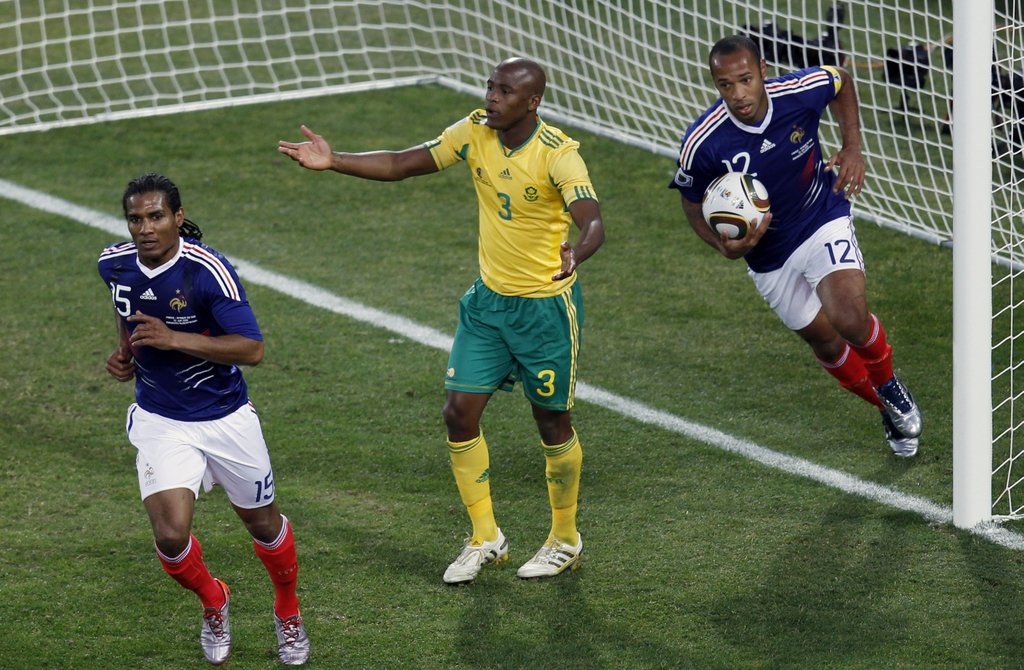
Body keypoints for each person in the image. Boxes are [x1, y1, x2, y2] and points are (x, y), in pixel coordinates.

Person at [278, 57, 605, 583]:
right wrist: (334, 160)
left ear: (533, 102)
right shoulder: (473, 132)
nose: (492, 97)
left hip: (545, 310)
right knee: (458, 413)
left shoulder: (558, 155)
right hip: (487, 306)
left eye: (505, 91)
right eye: (491, 87)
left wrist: (577, 253)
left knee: (552, 423)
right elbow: (402, 163)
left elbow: (592, 221)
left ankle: (564, 538)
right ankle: (485, 537)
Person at [670, 35, 922, 457]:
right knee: (826, 343)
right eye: (725, 85)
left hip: (821, 217)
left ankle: (889, 385)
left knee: (848, 317)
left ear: (763, 70)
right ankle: (887, 409)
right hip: (769, 255)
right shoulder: (703, 141)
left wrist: (852, 146)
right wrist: (722, 246)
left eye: (745, 79)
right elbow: (691, 201)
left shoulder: (798, 93)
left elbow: (841, 80)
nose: (738, 94)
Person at [98, 173, 311, 665]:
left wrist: (173, 339)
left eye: (156, 216)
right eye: (135, 219)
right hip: (161, 419)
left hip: (225, 418)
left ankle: (288, 609)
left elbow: (251, 348)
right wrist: (126, 350)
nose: (145, 228)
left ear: (177, 216)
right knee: (171, 536)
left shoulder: (208, 271)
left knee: (264, 525)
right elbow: (126, 308)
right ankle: (214, 600)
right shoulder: (113, 264)